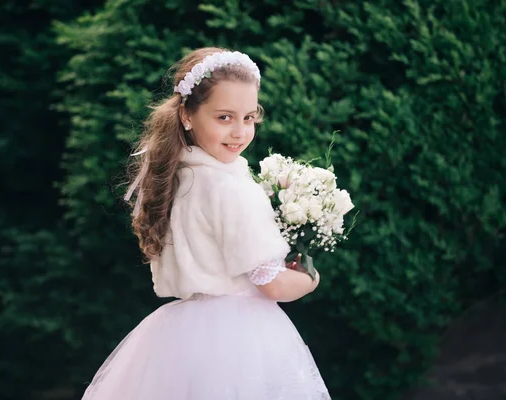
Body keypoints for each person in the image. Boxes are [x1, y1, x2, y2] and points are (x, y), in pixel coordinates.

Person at [81, 47, 331, 399]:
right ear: (187, 115)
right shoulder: (230, 188)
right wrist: (309, 278)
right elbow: (270, 284)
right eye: (224, 117)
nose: (240, 132)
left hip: (182, 338)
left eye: (249, 118)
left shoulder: (175, 178)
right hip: (241, 339)